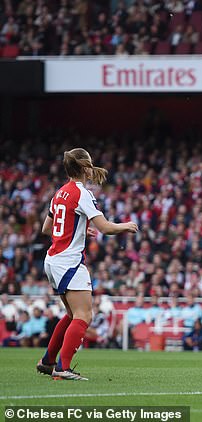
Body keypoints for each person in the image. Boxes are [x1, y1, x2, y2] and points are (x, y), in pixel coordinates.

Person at [36, 148, 138, 380]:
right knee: (84, 315)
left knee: (73, 314)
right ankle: (63, 367)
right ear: (84, 168)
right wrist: (126, 225)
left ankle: (48, 361)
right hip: (68, 261)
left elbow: (46, 229)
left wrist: (79, 229)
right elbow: (106, 228)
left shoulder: (60, 192)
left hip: (53, 259)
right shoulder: (83, 193)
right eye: (90, 164)